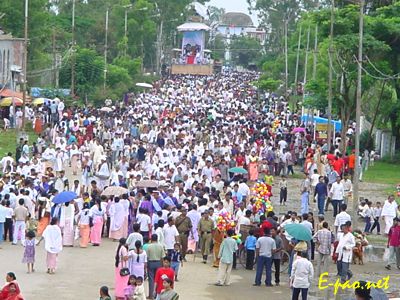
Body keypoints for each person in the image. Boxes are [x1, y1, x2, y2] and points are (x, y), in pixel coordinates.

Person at [146, 234, 165, 300]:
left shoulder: (149, 246)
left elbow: (147, 257)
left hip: (151, 262)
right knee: (158, 279)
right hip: (158, 263)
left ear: (151, 239)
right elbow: (162, 257)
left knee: (151, 279)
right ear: (157, 239)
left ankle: (151, 295)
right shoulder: (160, 246)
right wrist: (162, 265)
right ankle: (157, 294)